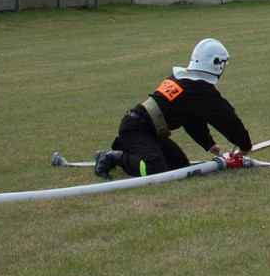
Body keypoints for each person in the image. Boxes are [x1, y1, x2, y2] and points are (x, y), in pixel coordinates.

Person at [94, 38, 253, 179]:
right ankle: (111, 157)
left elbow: (191, 119)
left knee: (180, 167)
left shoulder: (185, 80)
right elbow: (227, 119)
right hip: (136, 129)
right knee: (156, 172)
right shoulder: (199, 89)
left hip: (146, 130)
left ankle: (128, 147)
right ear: (217, 64)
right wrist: (244, 145)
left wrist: (208, 143)